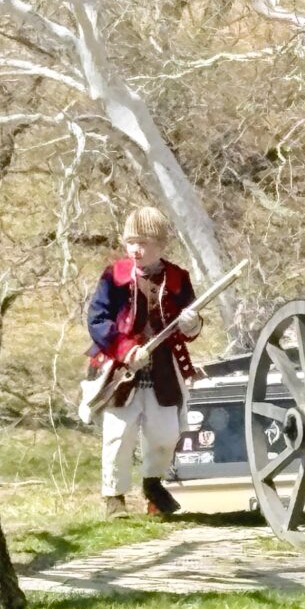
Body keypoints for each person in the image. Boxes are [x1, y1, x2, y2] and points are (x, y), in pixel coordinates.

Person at [87, 206, 203, 518]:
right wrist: (125, 349)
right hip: (122, 370)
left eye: (144, 243)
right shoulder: (114, 277)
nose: (136, 249)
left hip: (164, 368)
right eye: (131, 242)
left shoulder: (178, 278)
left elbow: (190, 324)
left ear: (160, 245)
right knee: (118, 435)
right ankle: (114, 499)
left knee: (166, 435)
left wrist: (191, 323)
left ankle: (153, 487)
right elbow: (97, 320)